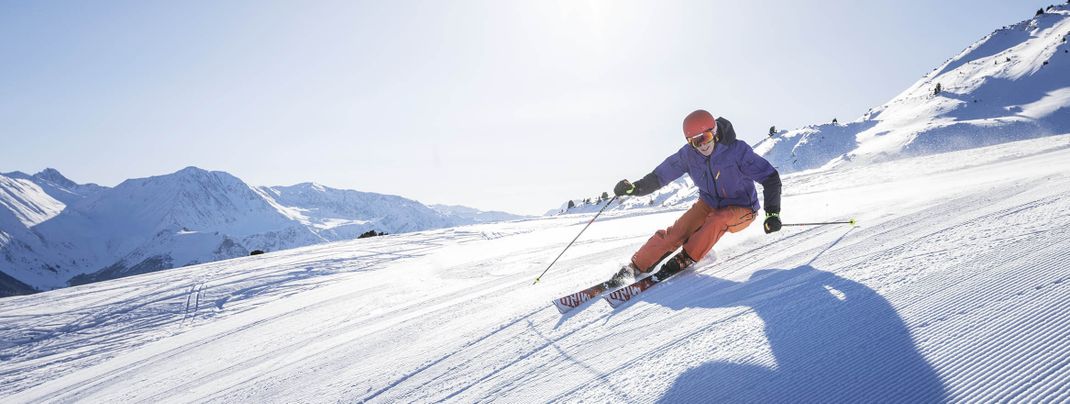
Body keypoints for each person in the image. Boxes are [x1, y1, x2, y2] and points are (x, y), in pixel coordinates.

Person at [611, 109, 782, 281]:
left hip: (742, 208)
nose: (702, 145)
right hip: (708, 204)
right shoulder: (688, 155)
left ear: (714, 132)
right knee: (676, 233)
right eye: (695, 141)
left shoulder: (737, 151)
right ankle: (635, 266)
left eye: (705, 138)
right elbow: (660, 176)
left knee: (718, 219)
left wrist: (772, 213)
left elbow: (770, 177)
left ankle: (686, 258)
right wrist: (635, 188)